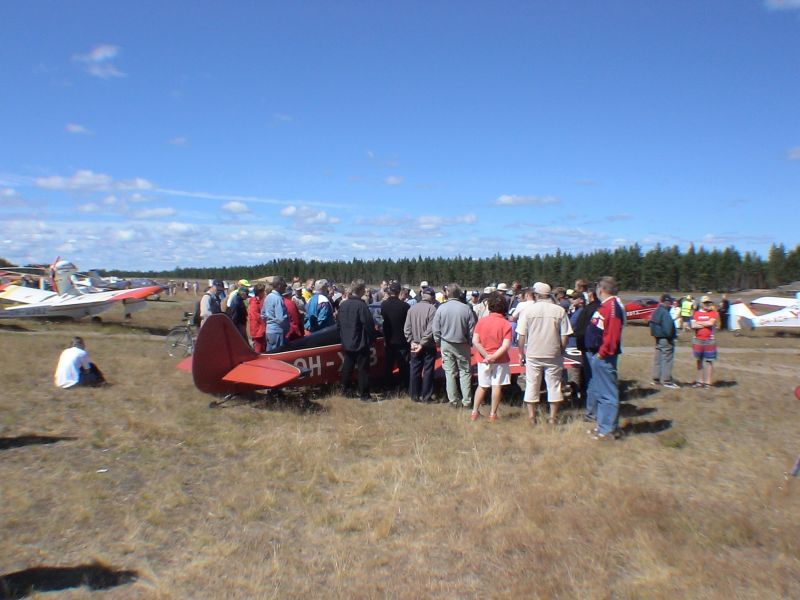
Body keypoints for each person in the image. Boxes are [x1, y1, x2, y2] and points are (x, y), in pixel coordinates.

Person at [517, 282, 573, 425]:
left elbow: (521, 335)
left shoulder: (529, 311)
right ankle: (553, 418)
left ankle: (532, 417)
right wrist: (561, 349)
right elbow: (565, 335)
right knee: (554, 385)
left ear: (536, 294)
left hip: (533, 352)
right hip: (553, 352)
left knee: (532, 384)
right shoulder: (559, 310)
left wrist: (521, 353)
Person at [584, 276, 624, 441]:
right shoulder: (606, 306)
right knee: (601, 393)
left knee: (608, 394)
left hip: (604, 356)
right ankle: (602, 426)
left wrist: (602, 353)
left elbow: (612, 336)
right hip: (597, 354)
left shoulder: (613, 307)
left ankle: (607, 430)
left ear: (601, 290)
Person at [431, 283, 477, 408]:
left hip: (446, 343)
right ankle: (467, 401)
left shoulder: (441, 308)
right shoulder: (466, 308)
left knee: (450, 372)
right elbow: (472, 329)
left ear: (447, 294)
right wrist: (469, 341)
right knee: (465, 372)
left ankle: (453, 400)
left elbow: (435, 328)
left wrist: (438, 341)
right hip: (462, 344)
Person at [470, 294, 512, 422]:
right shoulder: (506, 324)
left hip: (483, 359)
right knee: (497, 386)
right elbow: (505, 346)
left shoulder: (482, 321)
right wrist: (493, 357)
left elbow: (475, 341)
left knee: (482, 386)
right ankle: (493, 414)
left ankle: (474, 412)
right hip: (500, 360)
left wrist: (487, 356)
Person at [337, 279, 377, 401]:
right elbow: (369, 324)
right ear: (360, 290)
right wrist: (372, 338)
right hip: (360, 342)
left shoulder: (343, 305)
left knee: (347, 367)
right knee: (363, 369)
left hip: (347, 341)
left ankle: (345, 391)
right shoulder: (361, 305)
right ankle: (364, 395)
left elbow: (338, 324)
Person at [404, 287, 438, 403]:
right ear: (432, 297)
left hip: (415, 344)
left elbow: (406, 328)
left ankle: (414, 395)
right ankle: (426, 396)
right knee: (428, 371)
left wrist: (411, 341)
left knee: (414, 370)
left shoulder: (412, 309)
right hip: (428, 345)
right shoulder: (432, 309)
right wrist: (422, 344)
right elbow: (430, 330)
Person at [380, 282, 411, 395]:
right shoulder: (405, 306)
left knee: (389, 365)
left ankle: (388, 387)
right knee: (403, 365)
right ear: (399, 292)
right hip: (402, 340)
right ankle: (405, 387)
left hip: (389, 340)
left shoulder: (384, 305)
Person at [649, 293, 679, 388]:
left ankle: (656, 379)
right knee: (667, 360)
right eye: (670, 302)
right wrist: (671, 337)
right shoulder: (665, 313)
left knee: (657, 359)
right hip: (666, 339)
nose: (670, 304)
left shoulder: (656, 311)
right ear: (666, 302)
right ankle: (667, 381)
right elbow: (668, 327)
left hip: (657, 338)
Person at [692, 295, 719, 388]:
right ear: (701, 304)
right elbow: (693, 325)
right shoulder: (696, 313)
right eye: (705, 303)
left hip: (709, 340)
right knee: (699, 360)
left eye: (709, 303)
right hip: (698, 340)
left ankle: (708, 382)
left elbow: (711, 323)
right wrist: (704, 324)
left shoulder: (713, 313)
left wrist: (699, 323)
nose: (707, 305)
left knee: (709, 361)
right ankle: (700, 381)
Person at [262, 276, 289, 351]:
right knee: (278, 354)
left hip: (269, 331)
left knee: (270, 355)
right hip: (277, 331)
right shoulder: (278, 299)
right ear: (279, 286)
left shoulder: (268, 297)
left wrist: (269, 323)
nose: (285, 287)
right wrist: (287, 329)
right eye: (284, 285)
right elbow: (281, 319)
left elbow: (263, 315)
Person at [248, 283, 267, 353]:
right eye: (263, 291)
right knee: (258, 349)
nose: (264, 293)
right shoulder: (254, 302)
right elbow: (255, 316)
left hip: (260, 329)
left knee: (262, 347)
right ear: (259, 292)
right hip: (258, 330)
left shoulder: (259, 301)